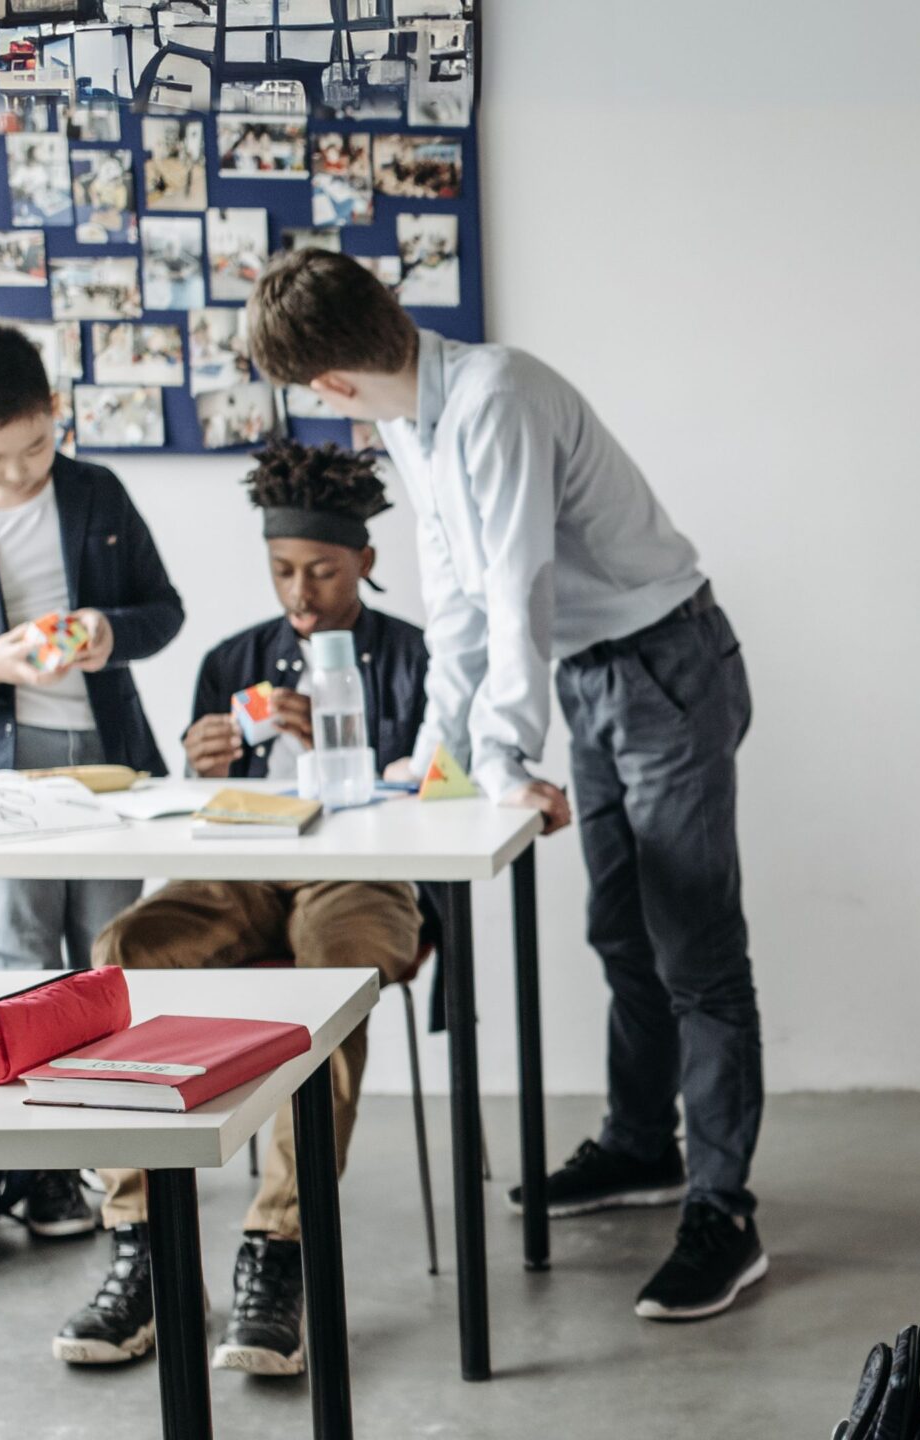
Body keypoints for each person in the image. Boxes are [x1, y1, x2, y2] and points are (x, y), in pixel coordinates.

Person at [242, 248, 765, 1322]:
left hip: (663, 662)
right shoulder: (411, 417)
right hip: (593, 673)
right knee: (621, 931)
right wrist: (439, 756)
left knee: (695, 951)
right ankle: (639, 1147)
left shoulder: (497, 395)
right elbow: (458, 602)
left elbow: (516, 581)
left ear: (327, 384)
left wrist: (502, 756)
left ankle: (726, 1212)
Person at [52, 440, 430, 1375]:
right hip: (244, 863)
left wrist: (353, 743)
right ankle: (141, 1241)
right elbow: (192, 814)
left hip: (364, 872)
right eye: (282, 572)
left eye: (323, 572)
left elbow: (442, 788)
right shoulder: (232, 658)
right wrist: (205, 763)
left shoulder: (418, 656)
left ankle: (281, 1250)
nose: (301, 593)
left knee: (333, 984)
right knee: (126, 948)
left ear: (365, 564)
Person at [0, 325, 183, 1243]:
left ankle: (116, 1158)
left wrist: (105, 630)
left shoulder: (98, 491)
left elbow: (163, 610)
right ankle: (45, 1171)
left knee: (106, 957)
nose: (17, 472)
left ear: (57, 412)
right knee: (19, 964)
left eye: (35, 447)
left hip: (104, 766)